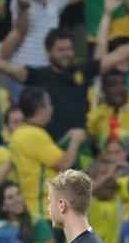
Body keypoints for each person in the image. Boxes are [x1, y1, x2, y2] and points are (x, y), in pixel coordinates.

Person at [8, 86, 88, 219]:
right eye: (49, 104)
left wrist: (65, 139)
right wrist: (76, 140)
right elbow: (64, 164)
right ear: (41, 108)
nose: (51, 108)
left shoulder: (20, 133)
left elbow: (43, 159)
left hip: (30, 209)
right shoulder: (35, 135)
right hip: (44, 212)